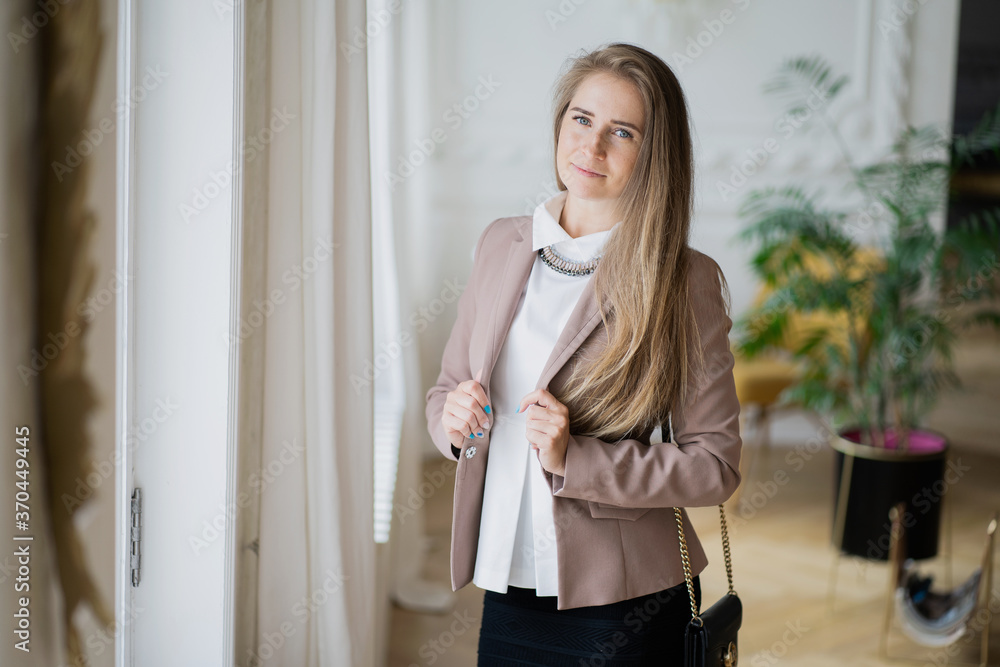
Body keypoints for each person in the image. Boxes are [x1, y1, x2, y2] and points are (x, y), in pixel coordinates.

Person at [424, 42, 743, 666]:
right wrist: (451, 423)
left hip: (624, 599)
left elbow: (716, 466)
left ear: (654, 154)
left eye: (621, 132)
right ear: (559, 124)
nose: (591, 148)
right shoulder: (500, 243)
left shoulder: (684, 281)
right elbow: (446, 391)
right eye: (581, 120)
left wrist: (577, 457)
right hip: (508, 577)